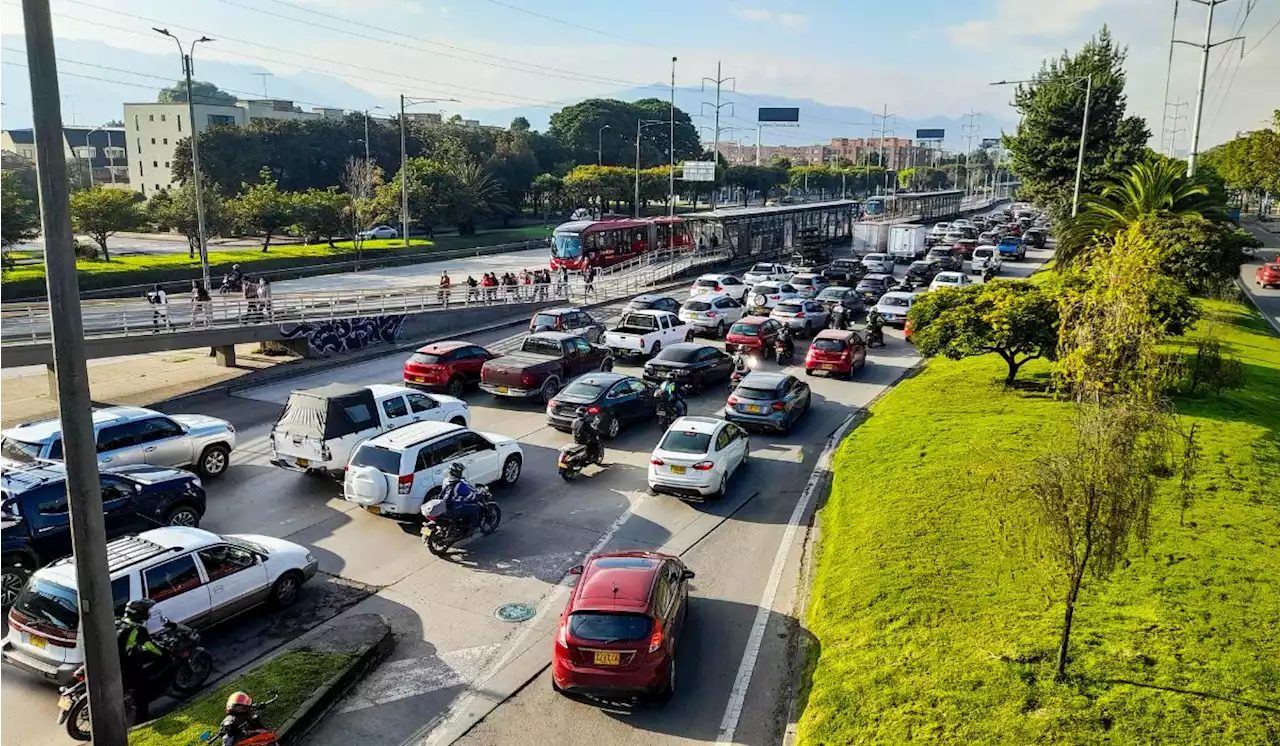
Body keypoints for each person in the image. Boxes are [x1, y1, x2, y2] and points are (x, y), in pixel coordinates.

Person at [116, 599, 165, 717]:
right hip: (123, 665)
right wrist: (163, 653)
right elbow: (151, 647)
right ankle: (142, 718)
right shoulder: (138, 630)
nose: (148, 613)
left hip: (110, 660)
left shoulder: (117, 621)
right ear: (139, 614)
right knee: (141, 689)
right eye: (146, 611)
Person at [441, 462, 481, 530]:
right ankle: (472, 526)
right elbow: (471, 496)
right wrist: (479, 493)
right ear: (457, 473)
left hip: (446, 504)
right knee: (475, 507)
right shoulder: (460, 485)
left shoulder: (446, 480)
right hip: (455, 507)